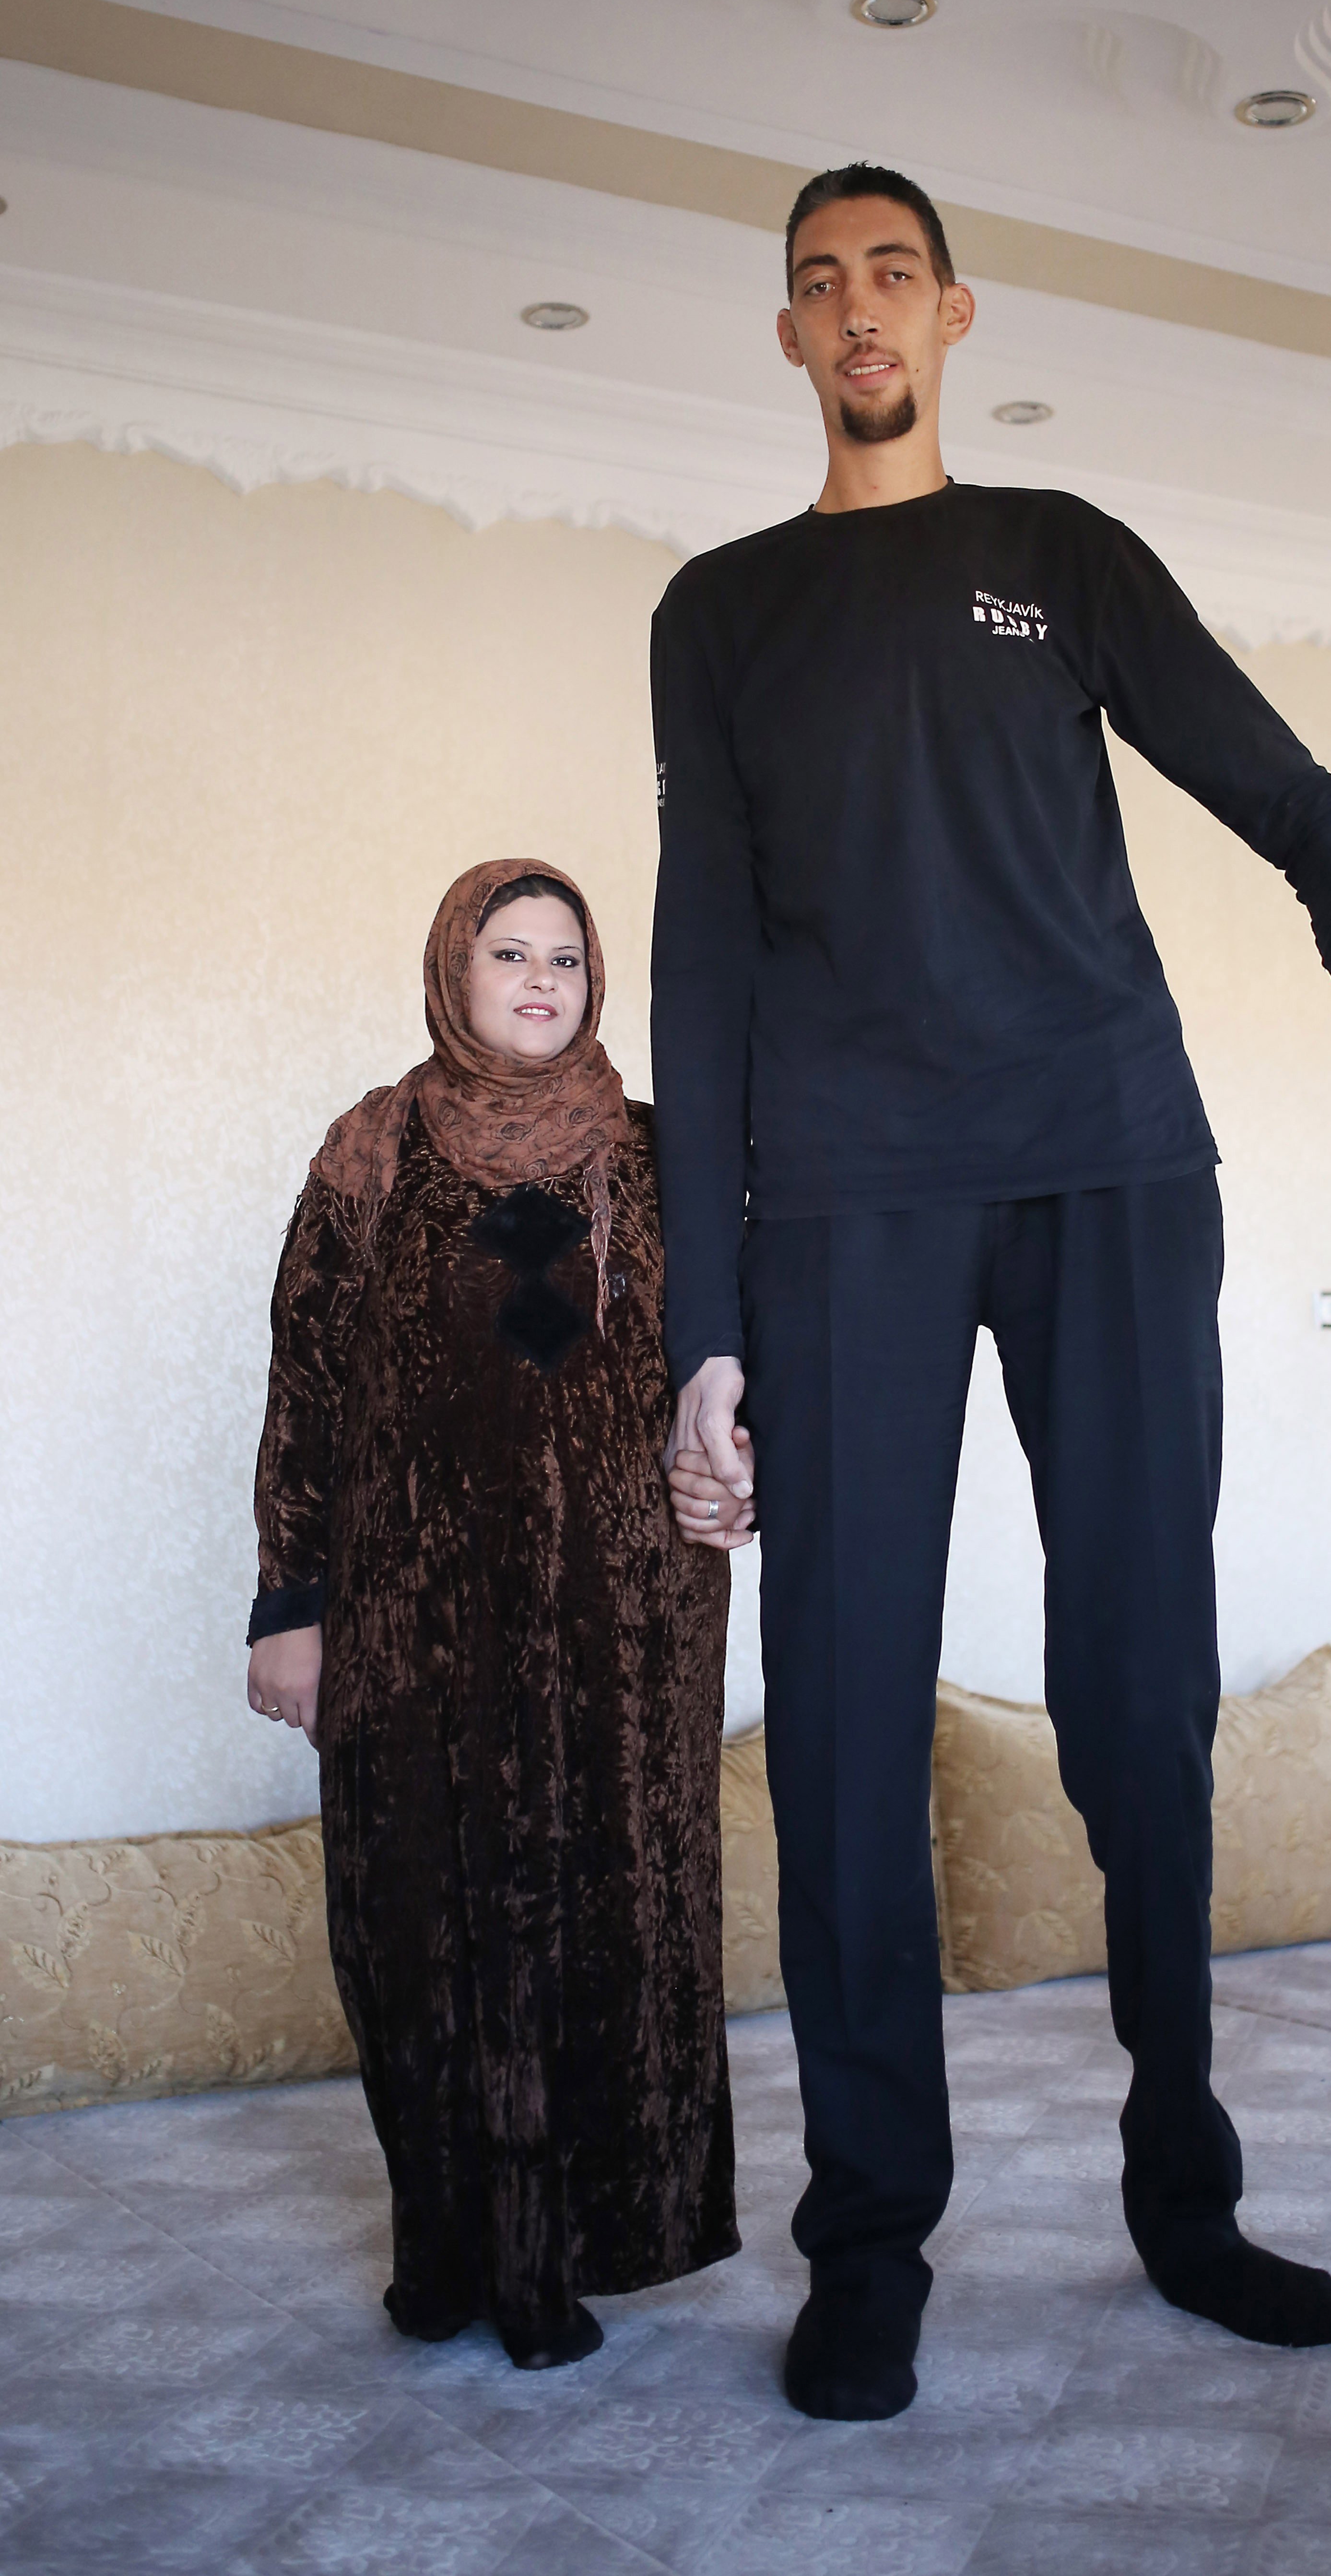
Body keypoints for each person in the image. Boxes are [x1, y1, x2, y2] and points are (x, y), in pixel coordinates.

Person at [652, 162, 1331, 2424]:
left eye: (893, 279)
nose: (859, 313)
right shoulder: (721, 611)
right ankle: (871, 2243)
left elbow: (1306, 808)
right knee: (839, 1729)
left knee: (1143, 1691)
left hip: (1114, 1166)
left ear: (955, 318)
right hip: (845, 1196)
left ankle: (1184, 2196)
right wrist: (700, 1330)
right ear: (786, 333)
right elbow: (707, 964)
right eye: (819, 283)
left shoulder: (1063, 559)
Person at [246, 858, 746, 2369]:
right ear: (451, 971)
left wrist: (746, 1478)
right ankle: (454, 2250)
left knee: (599, 1915)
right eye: (509, 953)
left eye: (571, 961)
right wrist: (291, 1605)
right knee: (422, 1923)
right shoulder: (371, 1151)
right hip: (415, 1618)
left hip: (628, 1623)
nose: (542, 981)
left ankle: (564, 2263)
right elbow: (308, 1389)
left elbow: (738, 1370)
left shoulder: (665, 1159)